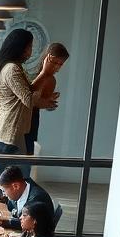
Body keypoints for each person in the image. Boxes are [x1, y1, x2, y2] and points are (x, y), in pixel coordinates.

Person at [0, 29, 59, 199]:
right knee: (5, 160)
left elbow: (27, 92)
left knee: (7, 161)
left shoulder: (14, 67)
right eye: (29, 47)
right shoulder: (12, 69)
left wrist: (43, 96)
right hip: (9, 124)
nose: (31, 51)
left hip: (10, 124)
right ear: (19, 47)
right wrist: (44, 73)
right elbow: (27, 98)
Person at [22, 42, 69, 175]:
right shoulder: (30, 74)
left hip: (32, 120)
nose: (57, 67)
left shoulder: (51, 80)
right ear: (46, 58)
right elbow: (26, 98)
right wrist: (45, 102)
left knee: (26, 157)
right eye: (54, 63)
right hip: (20, 119)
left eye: (60, 64)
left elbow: (39, 103)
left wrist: (48, 102)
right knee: (16, 157)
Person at [0, 165, 54, 231]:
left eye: (4, 191)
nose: (4, 194)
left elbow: (27, 223)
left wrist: (1, 220)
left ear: (16, 186)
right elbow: (12, 208)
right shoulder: (21, 189)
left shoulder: (37, 199)